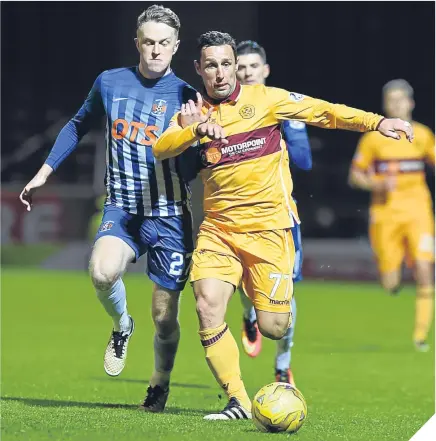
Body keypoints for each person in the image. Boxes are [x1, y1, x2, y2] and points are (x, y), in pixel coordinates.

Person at [153, 31, 413, 421]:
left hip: (269, 231)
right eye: (211, 65)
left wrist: (377, 122)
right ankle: (238, 400)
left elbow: (327, 111)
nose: (220, 73)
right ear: (198, 69)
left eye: (227, 64)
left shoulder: (267, 99)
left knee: (274, 326)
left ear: (235, 66)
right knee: (206, 306)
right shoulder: (193, 110)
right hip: (219, 231)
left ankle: (255, 309)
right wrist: (195, 130)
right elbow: (161, 147)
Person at [19, 5, 198, 412]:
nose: (155, 50)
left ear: (175, 47)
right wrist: (46, 171)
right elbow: (77, 124)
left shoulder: (188, 97)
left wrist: (190, 135)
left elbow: (189, 170)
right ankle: (122, 326)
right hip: (122, 208)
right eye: (148, 42)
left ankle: (159, 383)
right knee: (102, 271)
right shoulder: (110, 82)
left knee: (165, 318)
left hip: (170, 216)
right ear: (137, 43)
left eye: (163, 43)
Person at [235, 40, 312, 386]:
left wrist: (290, 128)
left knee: (286, 296)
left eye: (253, 66)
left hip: (279, 217)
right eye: (241, 67)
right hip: (236, 216)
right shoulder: (224, 108)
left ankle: (283, 364)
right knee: (239, 280)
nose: (247, 72)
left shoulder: (282, 106)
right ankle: (249, 314)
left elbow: (305, 162)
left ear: (265, 71)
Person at [348, 79, 434, 352]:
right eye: (391, 99)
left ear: (411, 103)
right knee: (390, 282)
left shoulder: (422, 135)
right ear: (385, 104)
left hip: (419, 212)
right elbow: (355, 176)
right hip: (385, 215)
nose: (396, 104)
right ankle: (395, 272)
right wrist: (376, 183)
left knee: (424, 269)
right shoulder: (374, 138)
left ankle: (420, 337)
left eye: (401, 99)